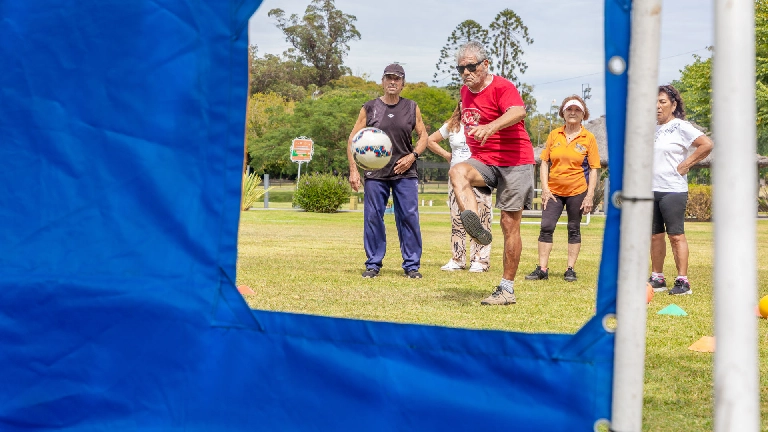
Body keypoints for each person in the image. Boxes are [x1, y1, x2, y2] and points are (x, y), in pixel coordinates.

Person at [448, 41, 535, 305]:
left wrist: (492, 127)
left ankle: (506, 289)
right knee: (458, 171)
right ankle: (475, 226)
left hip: (515, 161)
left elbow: (519, 111)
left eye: (471, 66)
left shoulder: (502, 87)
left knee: (509, 224)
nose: (466, 72)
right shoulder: (464, 93)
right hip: (484, 161)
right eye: (461, 68)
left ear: (485, 65)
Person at [347, 63, 429, 279]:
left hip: (405, 172)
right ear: (382, 82)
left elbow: (423, 136)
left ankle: (412, 265)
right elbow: (352, 139)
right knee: (373, 217)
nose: (393, 82)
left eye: (397, 79)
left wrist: (413, 156)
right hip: (376, 174)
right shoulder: (370, 107)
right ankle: (373, 264)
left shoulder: (411, 107)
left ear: (403, 84)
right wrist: (353, 170)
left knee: (409, 217)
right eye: (389, 78)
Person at [525, 95, 600, 283]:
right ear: (563, 113)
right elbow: (544, 162)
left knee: (574, 228)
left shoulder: (588, 138)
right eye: (569, 109)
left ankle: (570, 269)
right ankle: (542, 268)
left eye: (577, 110)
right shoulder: (554, 135)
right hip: (553, 192)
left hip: (578, 191)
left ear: (583, 114)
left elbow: (594, 168)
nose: (573, 113)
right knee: (546, 227)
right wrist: (545, 189)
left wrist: (589, 195)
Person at [648, 84, 713, 295]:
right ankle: (657, 277)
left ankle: (683, 281)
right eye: (654, 102)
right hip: (650, 189)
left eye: (662, 102)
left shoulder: (680, 127)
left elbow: (706, 144)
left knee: (675, 236)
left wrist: (687, 164)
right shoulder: (649, 128)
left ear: (673, 105)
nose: (657, 106)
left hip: (673, 190)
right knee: (655, 236)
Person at [426, 102, 493, 273]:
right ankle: (458, 258)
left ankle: (480, 260)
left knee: (482, 217)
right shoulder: (452, 125)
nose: (467, 106)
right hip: (456, 179)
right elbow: (430, 140)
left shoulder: (485, 124)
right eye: (464, 103)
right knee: (458, 218)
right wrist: (447, 155)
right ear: (460, 106)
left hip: (478, 176)